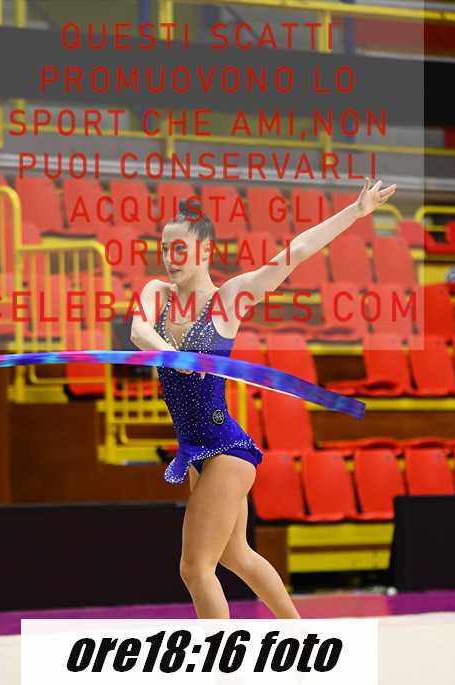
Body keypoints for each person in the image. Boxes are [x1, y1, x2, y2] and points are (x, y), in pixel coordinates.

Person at [131, 177, 397, 619]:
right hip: (196, 450)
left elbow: (295, 252)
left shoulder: (229, 300)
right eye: (165, 249)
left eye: (180, 249)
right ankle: (300, 635)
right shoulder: (156, 294)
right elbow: (139, 332)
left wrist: (355, 212)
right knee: (236, 555)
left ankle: (220, 660)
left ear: (204, 251)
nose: (170, 258)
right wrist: (174, 355)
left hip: (225, 451)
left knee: (195, 568)